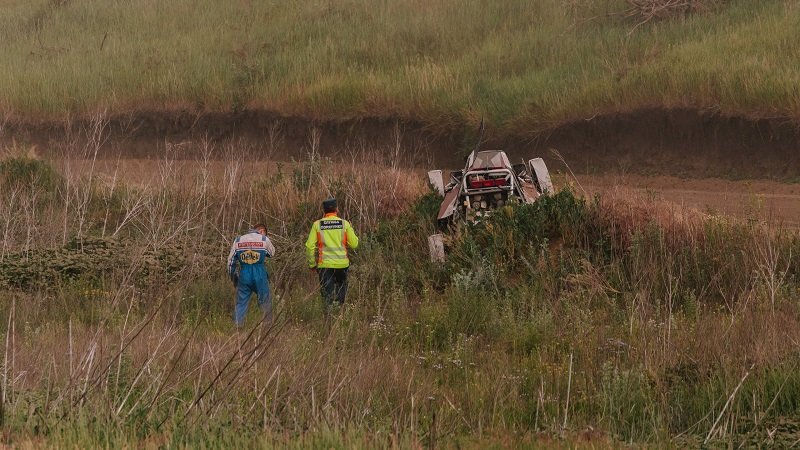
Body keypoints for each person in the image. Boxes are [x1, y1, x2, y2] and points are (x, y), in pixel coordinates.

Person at [305, 198, 359, 313]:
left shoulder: (317, 225)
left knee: (327, 295)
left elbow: (309, 246)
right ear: (337, 209)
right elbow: (354, 244)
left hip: (325, 266)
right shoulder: (344, 224)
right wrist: (350, 228)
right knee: (341, 293)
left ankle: (328, 319)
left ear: (323, 210)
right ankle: (340, 315)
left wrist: (312, 264)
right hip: (342, 265)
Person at [227, 223, 276, 327]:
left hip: (244, 272)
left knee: (241, 302)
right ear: (261, 231)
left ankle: (238, 327)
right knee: (265, 301)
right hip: (260, 272)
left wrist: (233, 277)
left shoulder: (238, 240)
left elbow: (230, 262)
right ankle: (267, 326)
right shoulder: (264, 239)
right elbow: (272, 253)